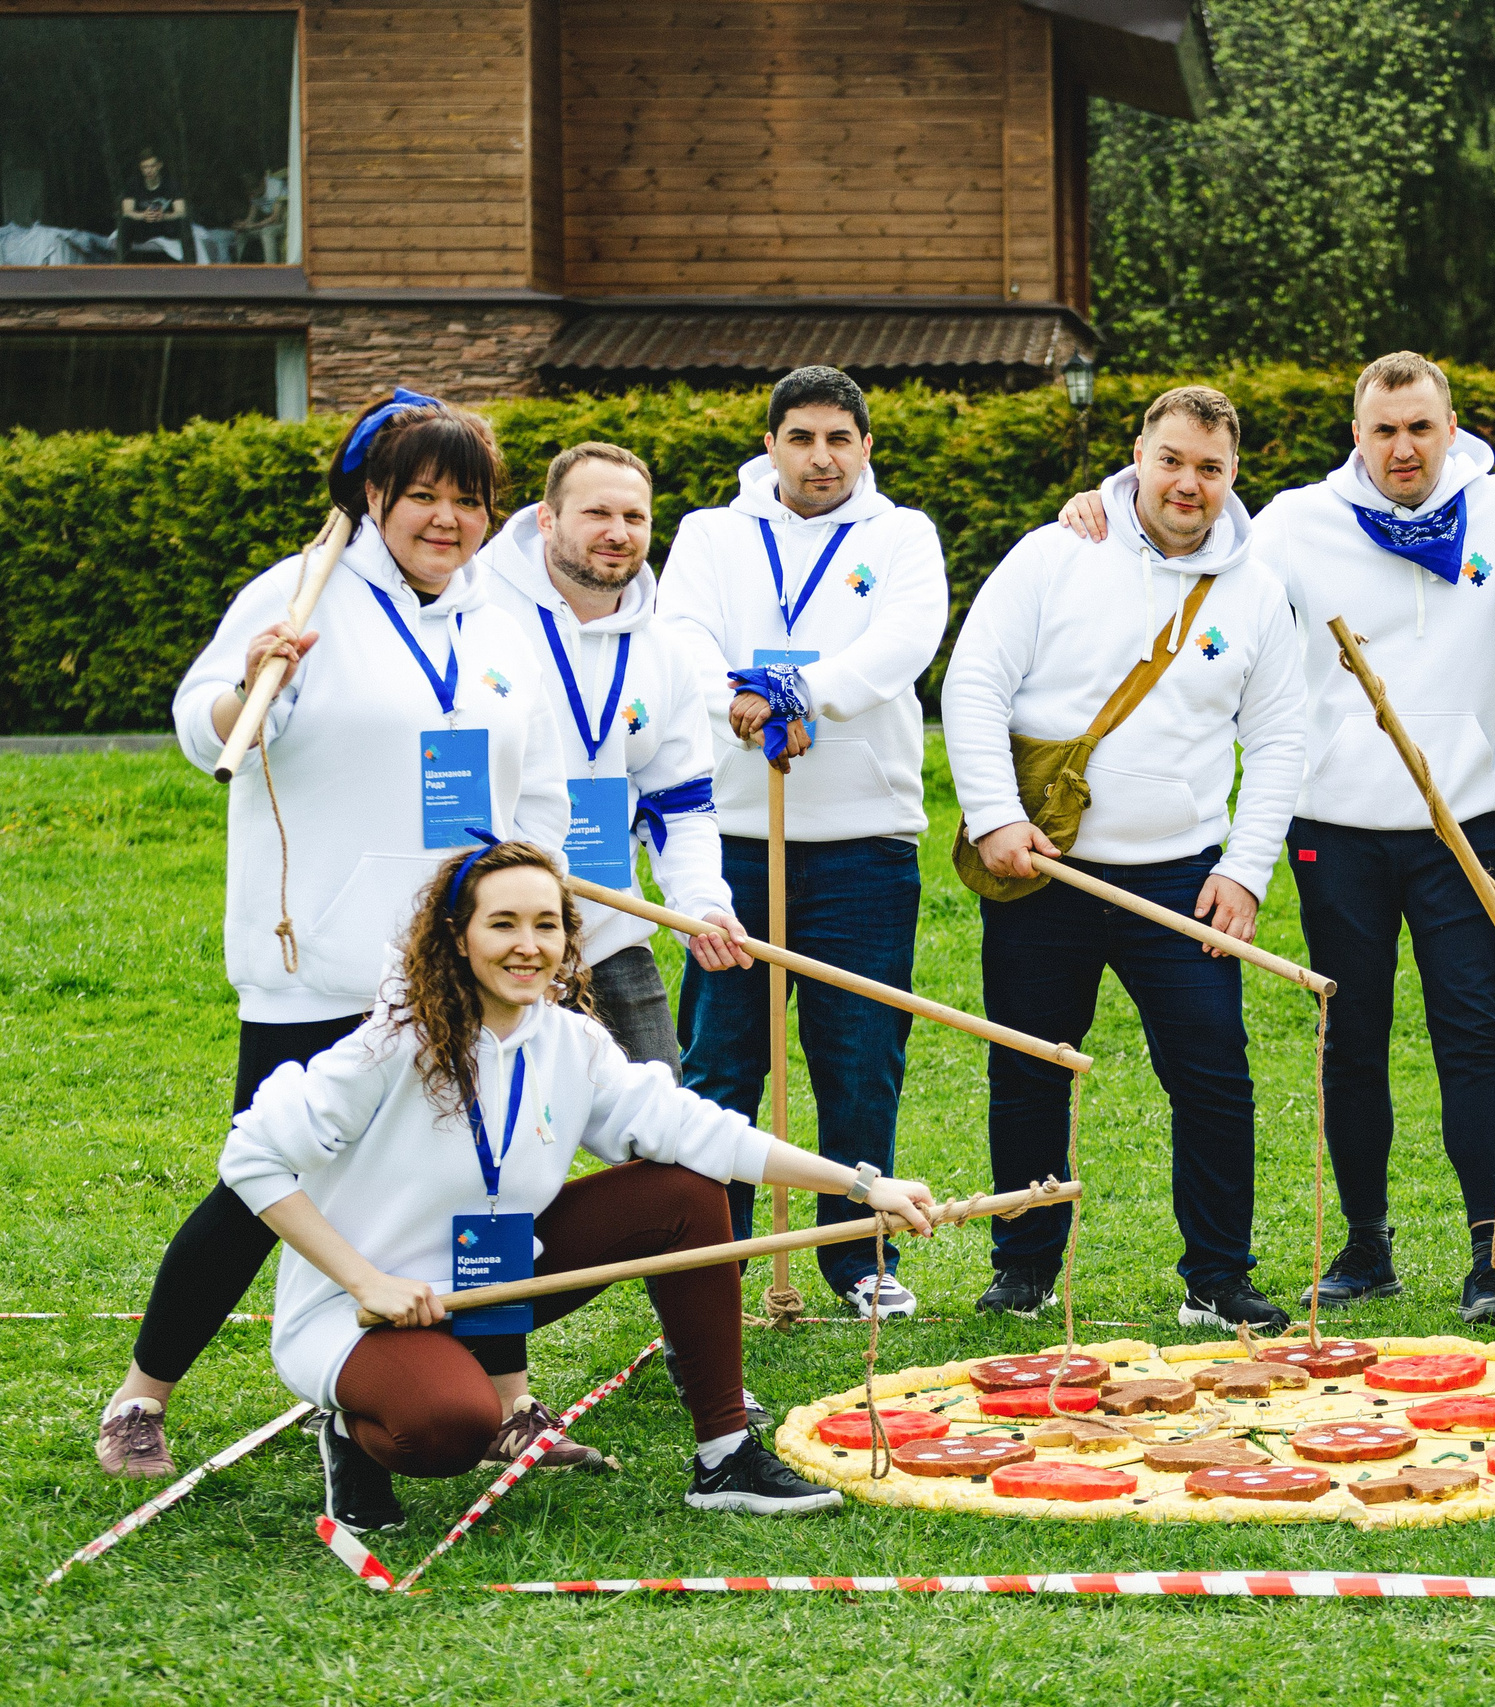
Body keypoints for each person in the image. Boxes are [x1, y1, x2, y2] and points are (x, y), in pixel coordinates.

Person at [1057, 353, 1495, 1324]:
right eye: (1383, 429)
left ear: (1450, 428)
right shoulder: (1300, 521)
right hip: (1334, 825)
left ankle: (1494, 1258)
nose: (1402, 448)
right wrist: (1098, 498)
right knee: (1353, 1043)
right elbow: (1193, 530)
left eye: (1420, 428)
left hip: (1464, 823)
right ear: (1358, 434)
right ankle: (1363, 1249)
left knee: (1471, 1041)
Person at [97, 393, 571, 1480]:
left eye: (467, 500)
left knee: (479, 1178)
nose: (446, 520)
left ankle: (509, 1403)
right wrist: (252, 690)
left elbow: (535, 789)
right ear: (373, 499)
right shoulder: (298, 593)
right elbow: (202, 717)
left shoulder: (498, 621)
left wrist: (536, 919)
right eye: (421, 496)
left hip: (467, 969)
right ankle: (141, 1397)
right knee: (265, 1183)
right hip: (322, 965)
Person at [219, 839, 941, 1530]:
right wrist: (365, 1279)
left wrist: (859, 1184)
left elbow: (702, 1132)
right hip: (363, 1313)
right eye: (501, 923)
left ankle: (724, 1459)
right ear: (456, 934)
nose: (526, 944)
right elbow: (250, 1155)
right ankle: (352, 1429)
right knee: (452, 1428)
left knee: (685, 1188)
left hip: (492, 1281)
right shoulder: (389, 1044)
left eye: (546, 924)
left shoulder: (572, 1042)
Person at [944, 384, 1306, 1332]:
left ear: (1233, 474)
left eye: (1211, 468)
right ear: (1138, 453)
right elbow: (975, 682)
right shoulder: (1057, 551)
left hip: (1180, 879)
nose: (1189, 483)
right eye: (1173, 459)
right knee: (1030, 1067)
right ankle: (1024, 1263)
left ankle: (1219, 1275)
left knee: (1215, 1076)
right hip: (1042, 866)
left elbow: (1277, 741)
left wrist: (1244, 869)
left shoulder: (1258, 591)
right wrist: (991, 817)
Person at [658, 366, 948, 1322]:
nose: (820, 457)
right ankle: (715, 1257)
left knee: (859, 1053)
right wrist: (734, 699)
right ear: (771, 444)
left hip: (862, 840)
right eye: (801, 437)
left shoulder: (900, 534)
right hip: (733, 837)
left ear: (866, 447)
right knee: (722, 1056)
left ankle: (854, 1254)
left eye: (840, 439)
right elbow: (684, 636)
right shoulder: (712, 533)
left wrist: (799, 693)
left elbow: (906, 638)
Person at [479, 440, 753, 1069]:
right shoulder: (477, 617)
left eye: (634, 518)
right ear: (546, 519)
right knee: (481, 1134)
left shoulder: (666, 650)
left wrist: (701, 903)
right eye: (596, 514)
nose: (618, 533)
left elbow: (681, 803)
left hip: (607, 929)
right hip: (488, 934)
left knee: (664, 1137)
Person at [116, 149, 194, 263]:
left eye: (152, 166)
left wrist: (164, 216)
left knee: (184, 222)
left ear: (159, 166)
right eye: (145, 167)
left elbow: (181, 211)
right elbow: (127, 211)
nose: (148, 170)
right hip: (143, 225)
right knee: (125, 222)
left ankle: (191, 266)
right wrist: (143, 215)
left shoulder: (171, 184)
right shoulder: (133, 184)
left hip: (164, 224)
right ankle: (122, 267)